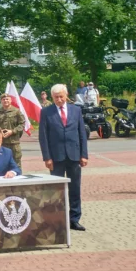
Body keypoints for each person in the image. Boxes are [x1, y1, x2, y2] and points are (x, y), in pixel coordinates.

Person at [38, 84, 89, 231]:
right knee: (56, 190)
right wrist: (47, 158)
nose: (59, 100)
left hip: (74, 156)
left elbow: (82, 134)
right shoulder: (46, 112)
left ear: (66, 95)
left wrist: (84, 155)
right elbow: (43, 137)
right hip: (56, 157)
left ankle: (74, 219)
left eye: (61, 96)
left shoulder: (76, 110)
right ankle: (58, 219)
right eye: (56, 97)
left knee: (75, 189)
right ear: (52, 97)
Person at [0, 93, 25, 168]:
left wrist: (12, 131)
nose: (5, 101)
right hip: (1, 143)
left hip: (14, 143)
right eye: (3, 99)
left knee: (16, 164)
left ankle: (18, 179)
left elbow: (22, 124)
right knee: (2, 164)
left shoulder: (16, 111)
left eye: (7, 99)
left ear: (11, 100)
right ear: (1, 101)